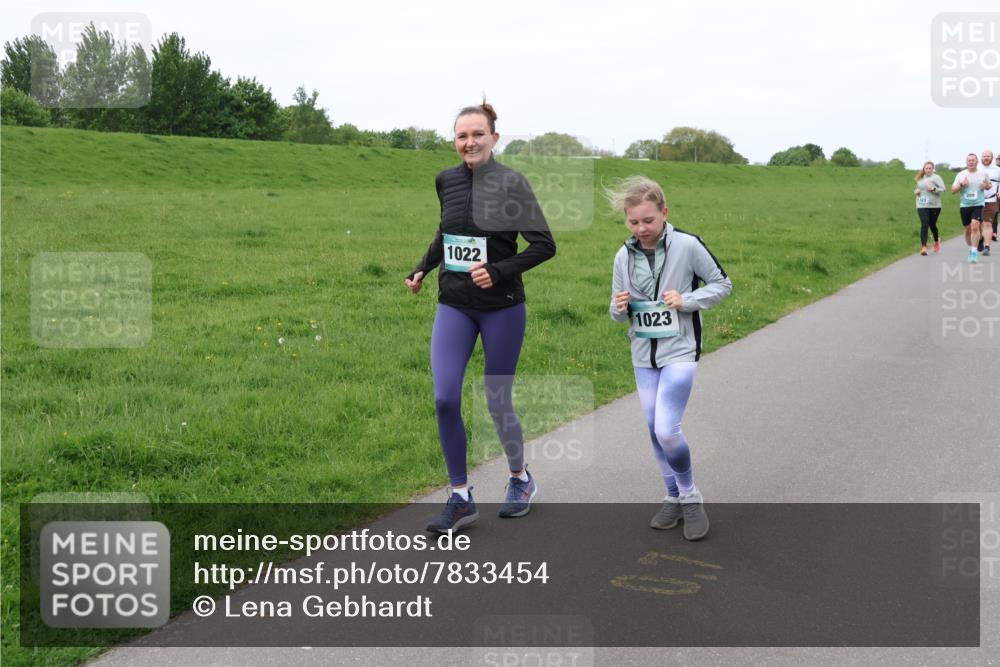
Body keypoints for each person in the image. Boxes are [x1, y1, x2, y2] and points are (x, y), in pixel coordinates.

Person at [405, 101, 556, 533]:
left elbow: (544, 245)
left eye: (477, 134)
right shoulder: (445, 181)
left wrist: (498, 270)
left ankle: (519, 478)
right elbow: (446, 234)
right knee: (445, 398)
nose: (468, 143)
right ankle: (460, 496)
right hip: (454, 303)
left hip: (502, 308)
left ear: (494, 137)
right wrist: (422, 267)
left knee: (496, 397)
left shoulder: (513, 183)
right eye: (461, 136)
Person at [607, 177, 732, 541]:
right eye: (634, 222)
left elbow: (723, 284)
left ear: (664, 213)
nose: (642, 229)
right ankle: (672, 496)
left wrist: (688, 300)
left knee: (666, 428)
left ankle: (691, 496)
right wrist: (618, 308)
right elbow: (617, 312)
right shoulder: (622, 255)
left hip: (680, 349)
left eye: (648, 220)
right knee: (652, 428)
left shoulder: (688, 245)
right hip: (643, 352)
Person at [951, 153, 991, 263]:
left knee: (975, 226)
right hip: (965, 205)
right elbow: (953, 190)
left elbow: (989, 185)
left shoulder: (983, 173)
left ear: (977, 162)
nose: (971, 162)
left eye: (973, 160)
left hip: (978, 204)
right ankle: (973, 246)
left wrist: (986, 186)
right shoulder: (960, 175)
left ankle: (973, 253)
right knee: (968, 229)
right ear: (966, 162)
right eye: (969, 160)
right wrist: (961, 185)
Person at [913, 161, 945, 255]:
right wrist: (916, 192)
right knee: (925, 223)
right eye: (926, 168)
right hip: (921, 204)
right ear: (924, 169)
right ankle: (924, 247)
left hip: (934, 205)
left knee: (932, 224)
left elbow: (943, 189)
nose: (928, 170)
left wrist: (934, 189)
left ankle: (936, 241)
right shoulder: (920, 178)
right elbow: (917, 189)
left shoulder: (937, 178)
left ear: (933, 169)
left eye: (929, 168)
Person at [980, 149, 999, 252]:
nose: (986, 158)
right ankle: (980, 240)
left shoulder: (997, 170)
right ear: (981, 157)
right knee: (977, 224)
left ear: (992, 158)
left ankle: (987, 246)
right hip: (977, 201)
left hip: (991, 199)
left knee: (988, 224)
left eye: (988, 156)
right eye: (984, 156)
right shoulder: (977, 168)